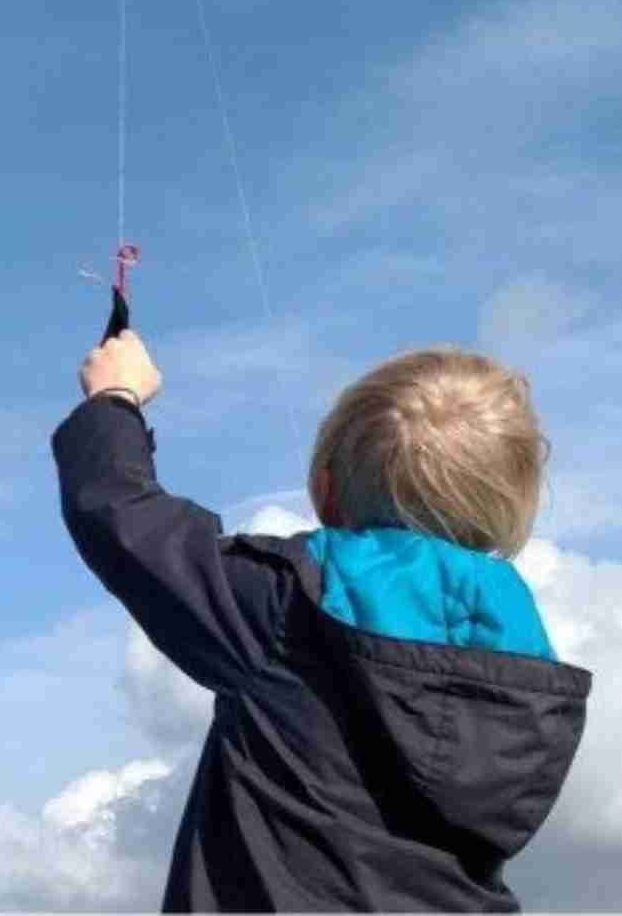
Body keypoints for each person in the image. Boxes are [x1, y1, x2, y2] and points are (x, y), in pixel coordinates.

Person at [52, 328, 591, 913]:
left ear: (326, 490)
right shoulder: (527, 664)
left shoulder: (285, 605)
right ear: (506, 506)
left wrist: (115, 399)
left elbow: (124, 520)